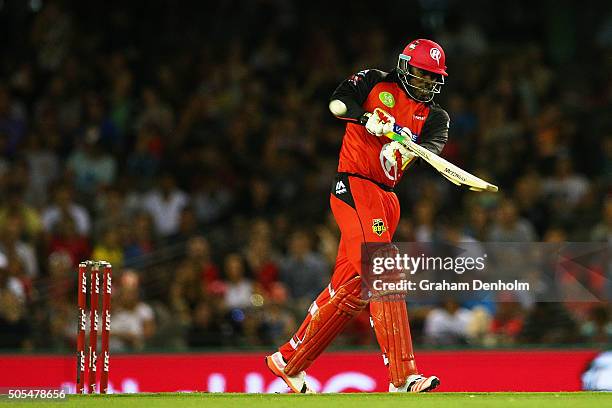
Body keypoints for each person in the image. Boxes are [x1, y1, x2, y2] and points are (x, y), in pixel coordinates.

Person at [265, 39, 450, 393]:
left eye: (433, 79)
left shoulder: (436, 118)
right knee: (383, 268)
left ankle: (289, 360)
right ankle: (403, 377)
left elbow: (429, 152)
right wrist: (368, 120)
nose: (426, 83)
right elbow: (337, 104)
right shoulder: (373, 81)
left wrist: (400, 148)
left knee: (352, 290)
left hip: (387, 200)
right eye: (422, 75)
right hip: (354, 186)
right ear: (406, 67)